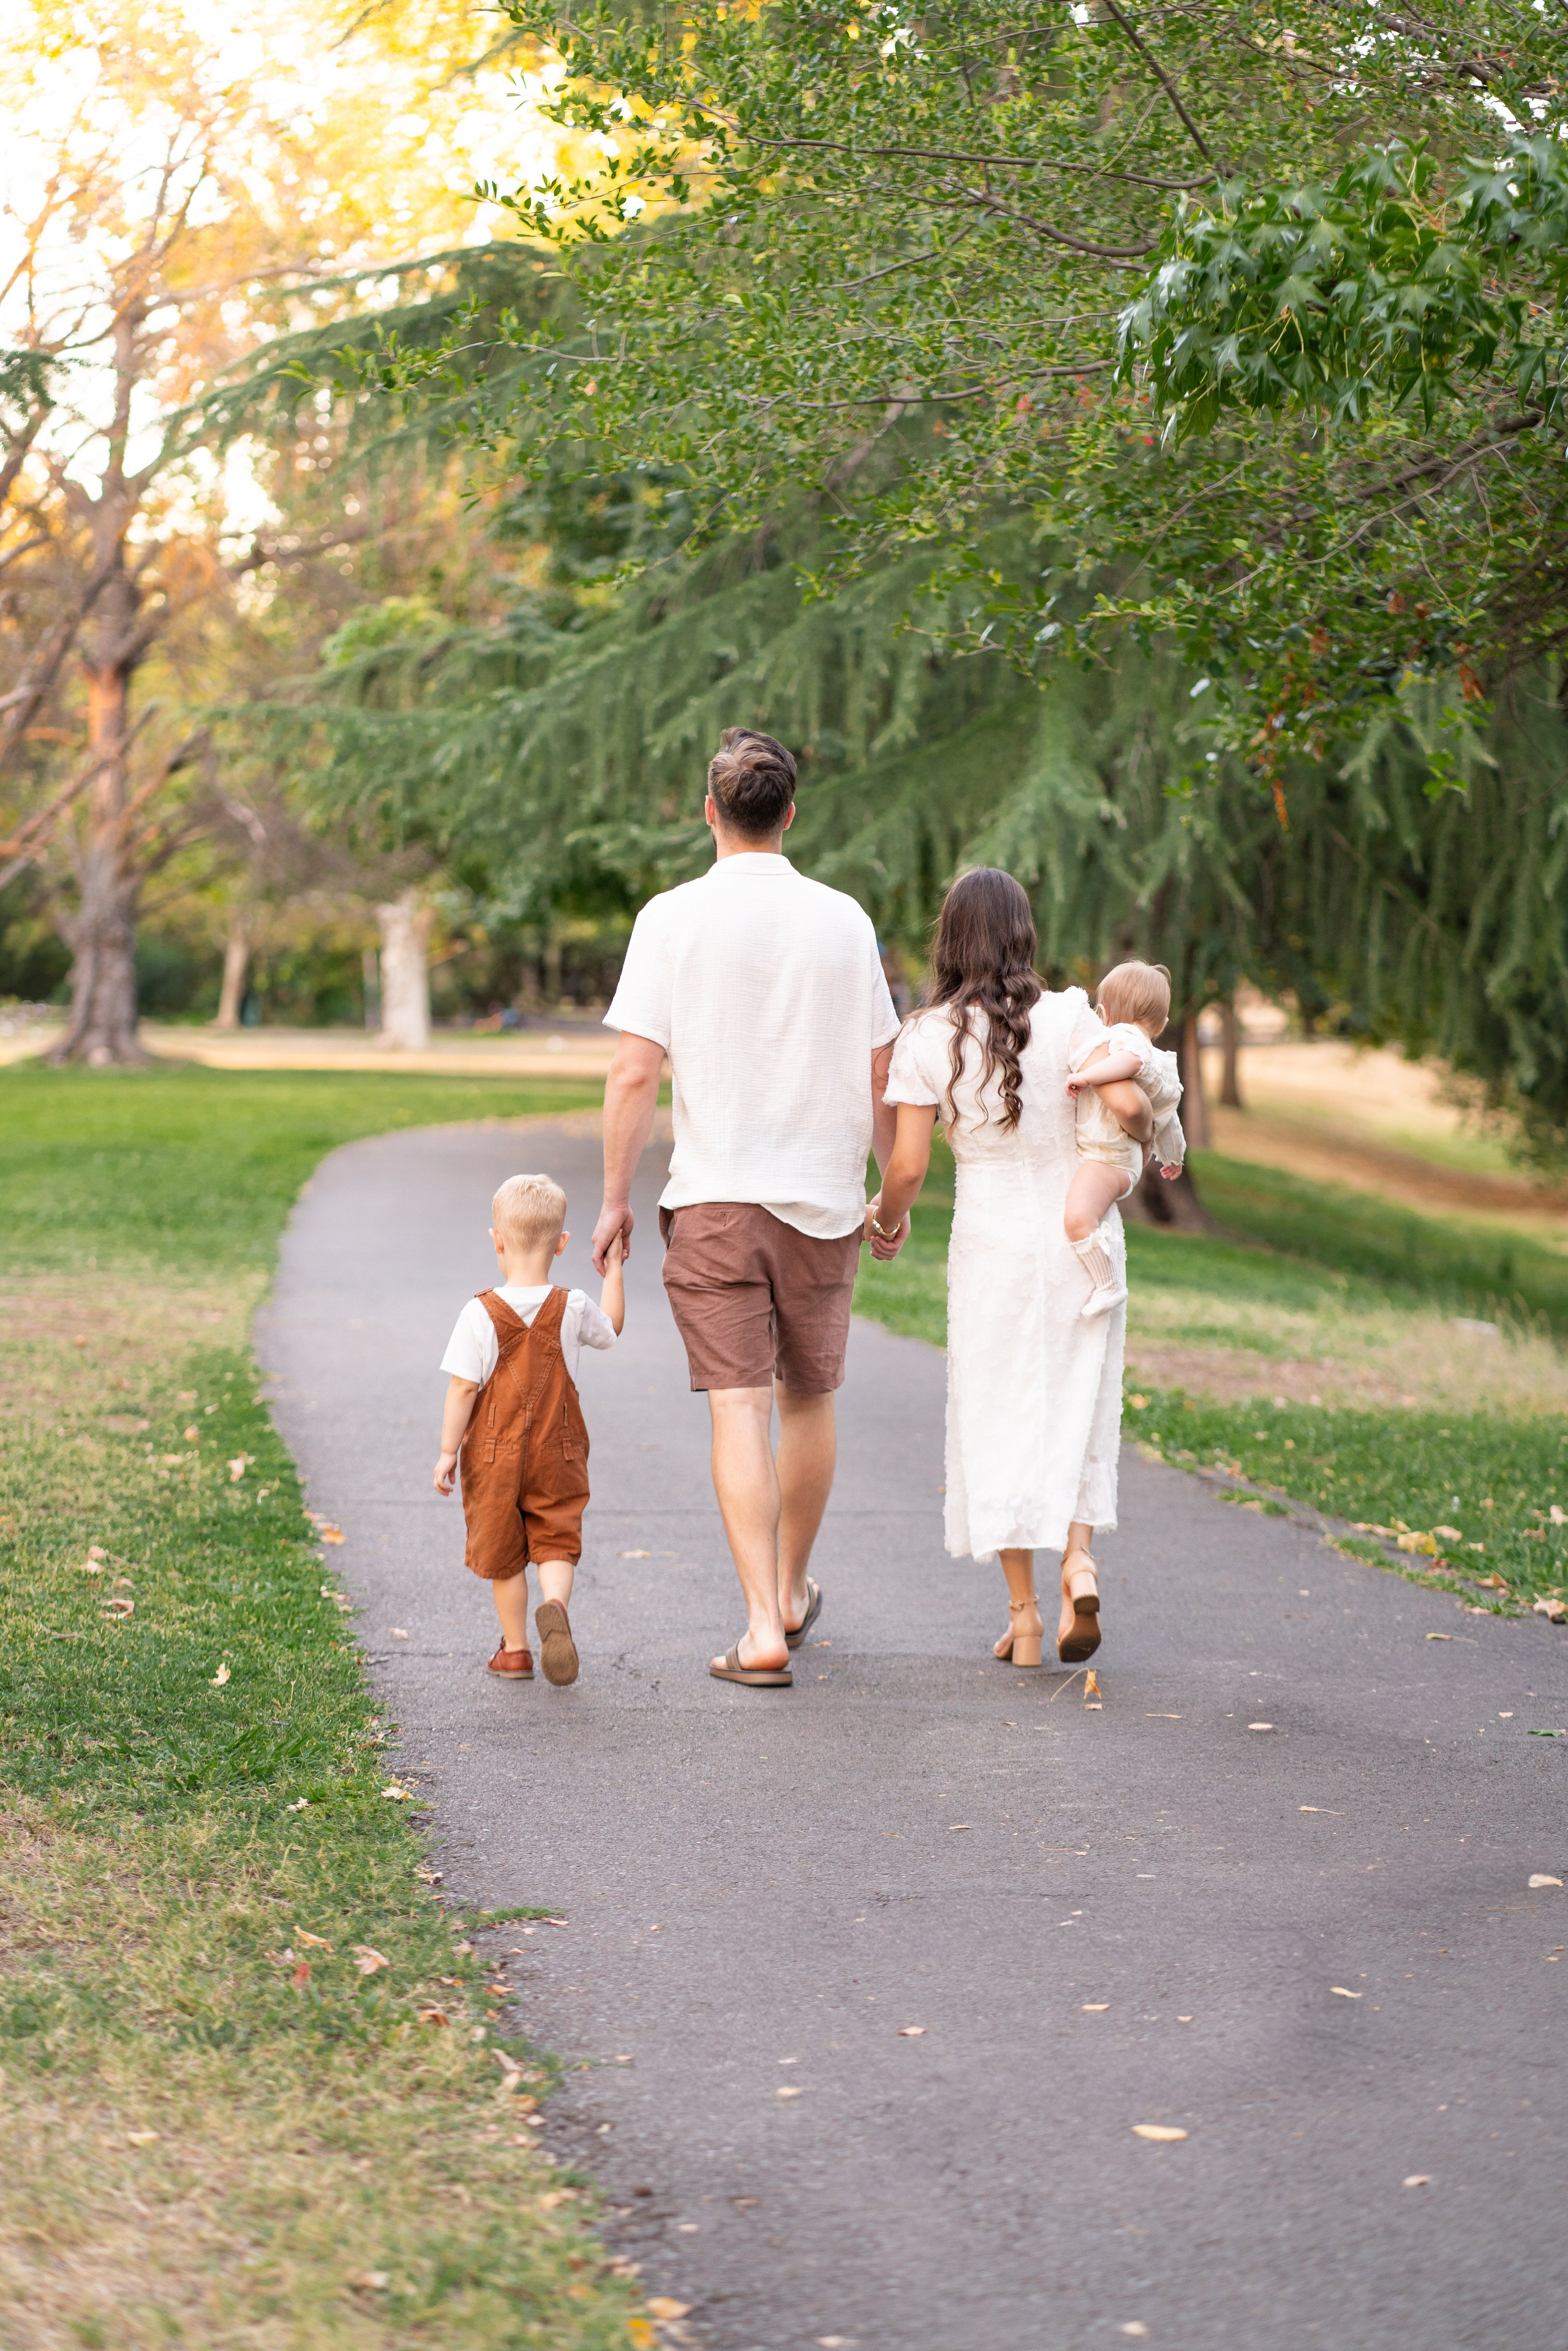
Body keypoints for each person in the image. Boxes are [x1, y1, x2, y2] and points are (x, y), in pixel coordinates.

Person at [593, 728, 901, 1688]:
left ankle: (762, 1622)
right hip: (820, 1195)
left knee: (738, 1407)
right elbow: (883, 1067)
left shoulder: (670, 917)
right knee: (808, 1397)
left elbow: (635, 1068)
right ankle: (796, 1587)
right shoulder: (846, 920)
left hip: (718, 1195)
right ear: (792, 814)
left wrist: (613, 1201)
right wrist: (891, 1191)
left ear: (711, 811)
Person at [869, 870, 1152, 1667]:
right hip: (1079, 1231)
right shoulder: (1071, 1014)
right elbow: (1125, 1105)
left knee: (999, 1416)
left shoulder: (927, 1036)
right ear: (1023, 932)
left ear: (949, 937)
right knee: (1076, 1403)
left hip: (993, 1244)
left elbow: (910, 1165)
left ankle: (1026, 1618)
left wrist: (883, 1218)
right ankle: (1080, 1563)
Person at [434, 1172, 625, 1685]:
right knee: (556, 1535)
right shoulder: (573, 1305)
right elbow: (613, 1328)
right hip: (558, 1449)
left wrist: (448, 1451)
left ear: (497, 1240)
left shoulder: (478, 1313)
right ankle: (556, 1606)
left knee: (504, 1552)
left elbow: (462, 1390)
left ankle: (515, 1650)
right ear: (562, 1244)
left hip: (493, 1453)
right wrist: (613, 1271)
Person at [1063, 960, 1186, 1318]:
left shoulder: (1124, 1039)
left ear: (1102, 1013)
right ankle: (1106, 1280)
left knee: (1077, 1219)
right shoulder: (1164, 1065)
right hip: (1125, 1162)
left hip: (1107, 1158)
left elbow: (1128, 1063)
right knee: (1083, 1213)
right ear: (1162, 1023)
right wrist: (1173, 1157)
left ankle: (1109, 1284)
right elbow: (1170, 1122)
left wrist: (1086, 1077)